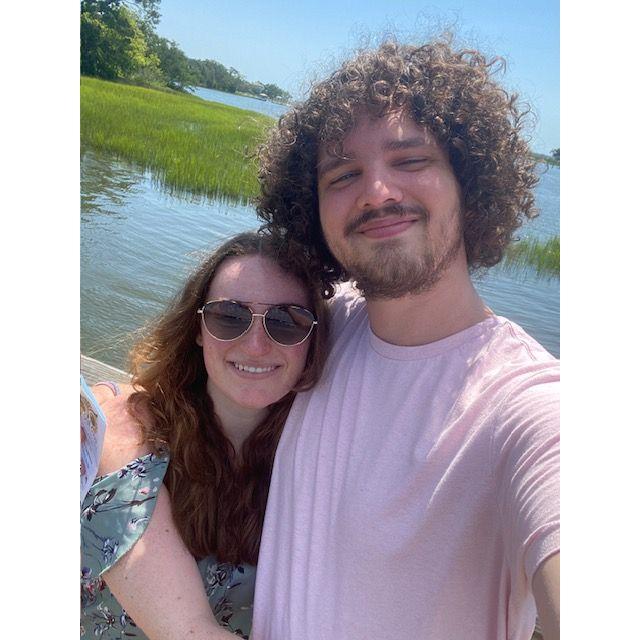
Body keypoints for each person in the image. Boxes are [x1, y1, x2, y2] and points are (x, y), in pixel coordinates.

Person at [251, 37, 560, 640]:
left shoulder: (526, 405)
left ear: (470, 182)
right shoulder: (311, 328)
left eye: (411, 161)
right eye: (344, 174)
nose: (376, 192)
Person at [80, 231, 328, 640]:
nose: (256, 345)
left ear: (311, 341)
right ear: (198, 328)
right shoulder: (129, 431)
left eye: (286, 322)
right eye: (229, 316)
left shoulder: (316, 463)